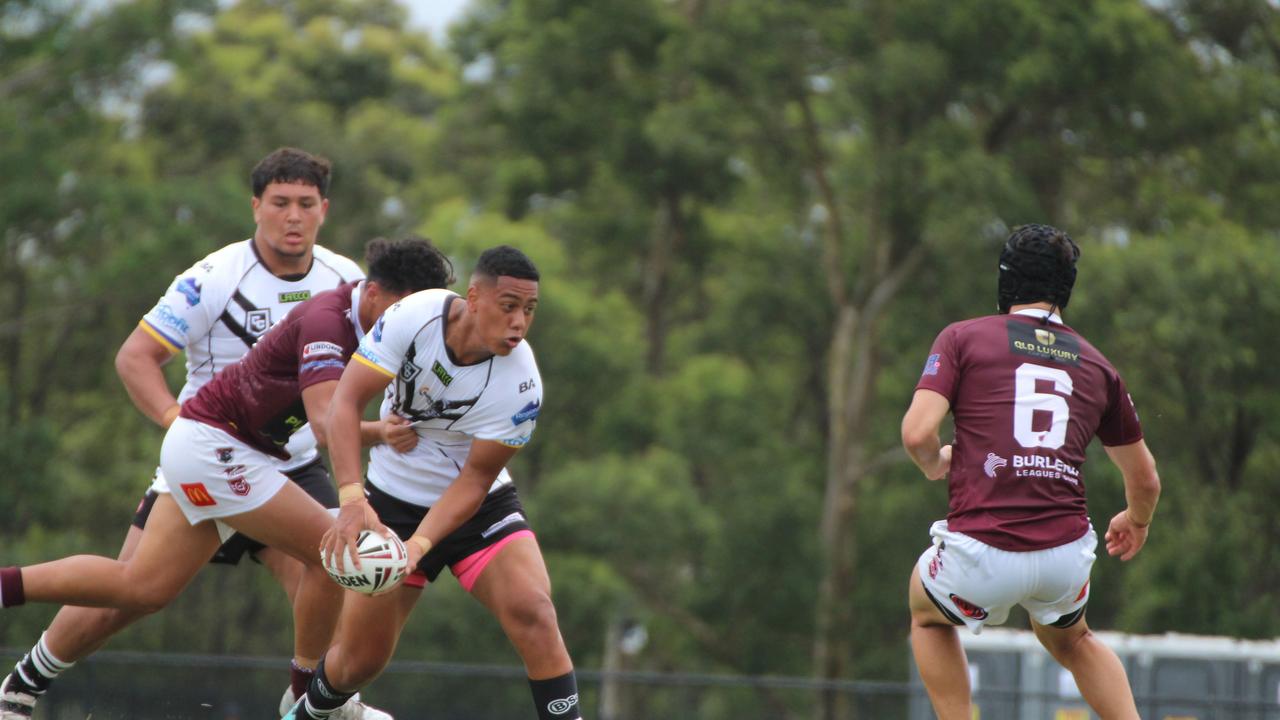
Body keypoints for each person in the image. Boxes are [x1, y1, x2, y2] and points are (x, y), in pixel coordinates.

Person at [0, 146, 391, 720]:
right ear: (255, 205)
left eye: (306, 204)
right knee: (134, 594)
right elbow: (136, 358)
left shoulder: (349, 281)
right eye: (280, 202)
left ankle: (314, 697)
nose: (293, 216)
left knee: (331, 566)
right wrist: (172, 422)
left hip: (294, 459)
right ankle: (23, 683)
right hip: (215, 452)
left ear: (324, 210)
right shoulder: (214, 277)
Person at [284, 246, 583, 720]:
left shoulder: (522, 384)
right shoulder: (415, 315)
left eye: (529, 310)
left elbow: (476, 479)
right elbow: (345, 404)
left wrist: (420, 547)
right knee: (359, 663)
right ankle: (304, 715)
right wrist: (351, 497)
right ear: (474, 298)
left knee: (535, 612)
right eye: (508, 306)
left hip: (476, 506)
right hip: (390, 505)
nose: (519, 323)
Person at [901, 224, 1162, 720]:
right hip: (1063, 558)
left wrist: (936, 462)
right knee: (1074, 639)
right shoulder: (1099, 365)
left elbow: (917, 435)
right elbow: (1146, 479)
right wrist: (1137, 519)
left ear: (1004, 281)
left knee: (927, 616)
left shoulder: (962, 338)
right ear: (1066, 288)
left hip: (981, 555)